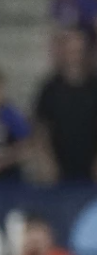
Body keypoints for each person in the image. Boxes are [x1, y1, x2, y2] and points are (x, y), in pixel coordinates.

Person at [34, 28, 97, 184]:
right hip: (59, 169)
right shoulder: (49, 88)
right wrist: (46, 161)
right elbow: (41, 129)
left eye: (78, 50)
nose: (73, 55)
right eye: (70, 50)